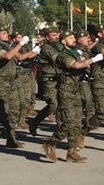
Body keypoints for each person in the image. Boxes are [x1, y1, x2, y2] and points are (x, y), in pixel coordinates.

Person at [41, 30, 100, 163]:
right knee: (68, 122)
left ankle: (71, 152)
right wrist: (93, 59)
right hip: (65, 90)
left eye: (74, 37)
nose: (74, 39)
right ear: (63, 41)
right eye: (70, 38)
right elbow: (75, 65)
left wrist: (89, 63)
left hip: (76, 88)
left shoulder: (76, 52)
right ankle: (51, 142)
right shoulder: (62, 55)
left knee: (77, 122)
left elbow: (84, 64)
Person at [29, 28, 62, 136]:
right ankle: (35, 122)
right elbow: (58, 59)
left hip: (59, 79)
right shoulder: (47, 48)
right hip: (49, 80)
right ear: (47, 37)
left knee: (61, 103)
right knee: (54, 104)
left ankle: (60, 128)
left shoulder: (58, 46)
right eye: (53, 35)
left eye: (57, 34)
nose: (56, 36)